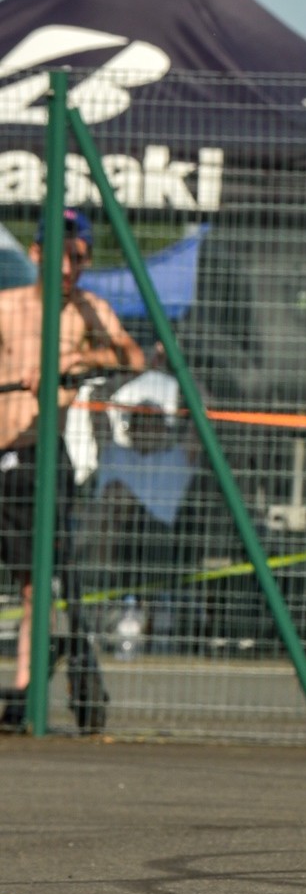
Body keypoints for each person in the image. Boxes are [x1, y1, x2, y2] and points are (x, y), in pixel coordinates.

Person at [0, 210, 144, 715]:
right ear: (37, 254)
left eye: (78, 257)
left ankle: (24, 696)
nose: (68, 267)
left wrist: (76, 360)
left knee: (36, 581)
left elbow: (132, 356)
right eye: (59, 255)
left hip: (37, 456)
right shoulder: (8, 306)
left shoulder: (88, 311)